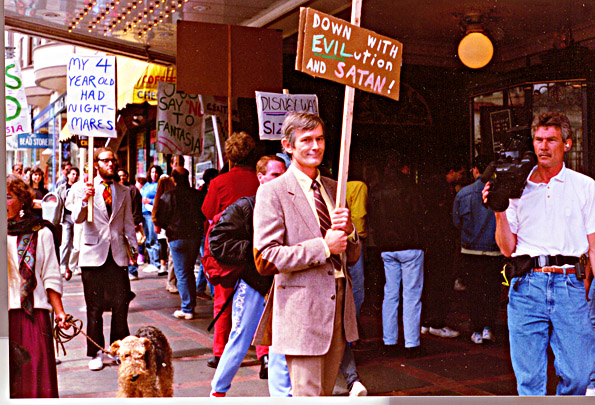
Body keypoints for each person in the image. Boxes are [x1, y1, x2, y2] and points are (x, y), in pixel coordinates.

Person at [483, 112, 595, 395]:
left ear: (567, 144)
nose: (544, 146)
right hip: (527, 286)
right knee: (529, 381)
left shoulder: (585, 187)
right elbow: (508, 248)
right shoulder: (516, 187)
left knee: (579, 375)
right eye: (538, 140)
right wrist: (499, 211)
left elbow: (593, 245)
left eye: (551, 140)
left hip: (571, 285)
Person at [253, 112, 361, 396]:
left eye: (320, 139)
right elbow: (265, 257)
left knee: (325, 394)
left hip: (338, 304)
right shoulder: (273, 192)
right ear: (288, 146)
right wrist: (323, 247)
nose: (316, 146)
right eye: (307, 140)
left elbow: (352, 255)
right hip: (301, 310)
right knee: (308, 396)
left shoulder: (334, 188)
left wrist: (350, 232)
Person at [209, 155, 287, 397]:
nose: (281, 180)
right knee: (240, 338)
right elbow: (218, 242)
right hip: (254, 283)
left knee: (279, 343)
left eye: (284, 174)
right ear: (260, 177)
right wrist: (255, 251)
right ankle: (218, 391)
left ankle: (282, 396)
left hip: (282, 285)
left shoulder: (292, 206)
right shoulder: (245, 207)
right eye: (275, 175)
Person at [70, 147, 138, 371]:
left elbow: (127, 221)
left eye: (113, 160)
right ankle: (95, 351)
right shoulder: (82, 187)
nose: (111, 164)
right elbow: (77, 219)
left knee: (121, 304)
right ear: (96, 163)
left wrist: (134, 249)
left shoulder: (124, 190)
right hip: (93, 254)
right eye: (106, 160)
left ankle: (118, 348)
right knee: (94, 307)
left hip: (117, 254)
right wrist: (84, 200)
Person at [7, 174, 70, 398]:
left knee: (36, 379)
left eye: (8, 197)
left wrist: (60, 312)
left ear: (22, 200)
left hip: (34, 316)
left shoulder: (41, 233)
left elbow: (51, 275)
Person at [202, 131, 260, 369]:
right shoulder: (262, 179)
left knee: (222, 301)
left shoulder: (219, 182)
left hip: (227, 251)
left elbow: (207, 212)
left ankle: (219, 351)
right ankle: (264, 353)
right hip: (256, 248)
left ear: (229, 155)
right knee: (259, 300)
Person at [369, 163, 426, 357]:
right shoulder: (410, 187)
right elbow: (420, 215)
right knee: (411, 296)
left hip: (386, 246)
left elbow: (373, 218)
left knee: (390, 295)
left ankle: (389, 341)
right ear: (404, 168)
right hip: (410, 245)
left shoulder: (376, 190)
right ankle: (411, 343)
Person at [453, 157, 502, 345]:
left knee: (473, 291)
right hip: (494, 251)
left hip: (470, 251)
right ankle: (489, 327)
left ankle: (476, 329)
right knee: (492, 290)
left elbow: (456, 222)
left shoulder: (463, 194)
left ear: (475, 170)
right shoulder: (498, 192)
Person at [420, 163, 465, 338]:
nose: (461, 176)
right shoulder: (443, 189)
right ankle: (437, 322)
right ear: (451, 171)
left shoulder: (427, 186)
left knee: (429, 282)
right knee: (441, 282)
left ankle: (426, 322)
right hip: (442, 242)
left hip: (429, 242)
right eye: (460, 173)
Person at [155, 167, 203, 319]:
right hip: (194, 236)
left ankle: (187, 307)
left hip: (176, 237)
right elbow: (203, 214)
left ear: (173, 180)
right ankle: (190, 305)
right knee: (189, 271)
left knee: (182, 273)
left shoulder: (168, 196)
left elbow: (161, 218)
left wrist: (169, 227)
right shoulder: (197, 195)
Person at [195, 168, 219, 300]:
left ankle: (199, 287)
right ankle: (213, 291)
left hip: (210, 230)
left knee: (206, 260)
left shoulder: (207, 191)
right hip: (205, 230)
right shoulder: (202, 193)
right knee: (207, 260)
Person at [118, 168, 144, 281]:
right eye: (120, 175)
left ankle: (133, 270)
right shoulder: (115, 189)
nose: (122, 178)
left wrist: (135, 222)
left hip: (131, 222)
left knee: (132, 247)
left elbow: (137, 207)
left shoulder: (133, 190)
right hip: (118, 223)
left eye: (124, 175)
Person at [56, 166, 80, 281]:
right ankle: (63, 265)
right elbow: (57, 201)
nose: (74, 176)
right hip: (65, 217)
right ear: (68, 175)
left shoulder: (79, 187)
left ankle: (74, 265)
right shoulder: (61, 188)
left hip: (77, 217)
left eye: (76, 174)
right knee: (65, 242)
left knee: (76, 243)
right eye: (72, 174)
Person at [140, 164, 163, 271]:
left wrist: (151, 201)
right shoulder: (146, 185)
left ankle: (156, 262)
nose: (154, 174)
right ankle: (152, 261)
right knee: (148, 239)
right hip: (144, 214)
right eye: (152, 172)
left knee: (153, 238)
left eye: (156, 172)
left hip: (152, 214)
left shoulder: (159, 185)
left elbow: (162, 199)